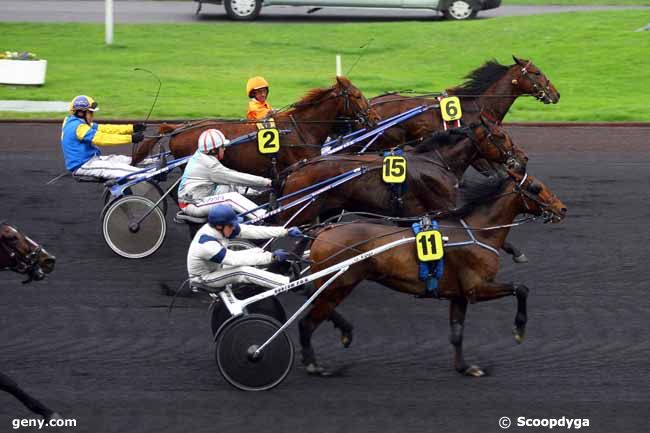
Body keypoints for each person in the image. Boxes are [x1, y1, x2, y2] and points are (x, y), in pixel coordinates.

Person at [187, 205, 303, 290]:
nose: (234, 228)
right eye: (231, 225)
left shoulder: (222, 228)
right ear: (219, 226)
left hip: (217, 267)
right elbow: (234, 259)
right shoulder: (206, 244)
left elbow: (253, 231)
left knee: (257, 251)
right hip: (204, 278)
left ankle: (273, 272)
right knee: (242, 272)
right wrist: (271, 257)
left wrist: (285, 231)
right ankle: (289, 284)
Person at [178, 128, 272, 220]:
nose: (224, 149)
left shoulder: (201, 155)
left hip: (198, 196)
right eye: (222, 147)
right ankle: (264, 216)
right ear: (213, 150)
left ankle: (258, 195)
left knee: (229, 185)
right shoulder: (210, 165)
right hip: (193, 204)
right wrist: (267, 182)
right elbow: (237, 178)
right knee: (231, 197)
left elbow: (232, 178)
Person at [60, 95, 146, 179]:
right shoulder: (79, 127)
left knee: (128, 160)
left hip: (92, 160)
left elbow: (106, 129)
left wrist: (132, 128)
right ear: (80, 112)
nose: (92, 116)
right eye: (90, 112)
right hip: (82, 165)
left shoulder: (77, 122)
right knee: (132, 172)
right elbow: (101, 138)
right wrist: (131, 138)